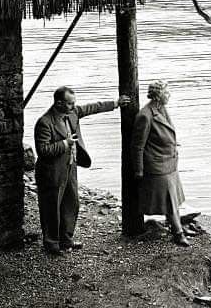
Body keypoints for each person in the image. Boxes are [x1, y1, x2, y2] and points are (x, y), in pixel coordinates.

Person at [34, 86, 130, 255]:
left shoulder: (72, 112)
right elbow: (43, 151)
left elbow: (92, 108)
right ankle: (51, 244)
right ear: (59, 103)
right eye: (70, 103)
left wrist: (116, 103)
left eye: (74, 103)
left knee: (72, 203)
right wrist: (65, 143)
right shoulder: (45, 122)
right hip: (51, 172)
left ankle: (66, 239)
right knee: (52, 207)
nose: (74, 106)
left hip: (70, 167)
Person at [131, 80, 190, 246]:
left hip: (169, 161)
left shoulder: (162, 109)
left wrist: (171, 143)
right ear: (158, 96)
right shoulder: (145, 115)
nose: (169, 95)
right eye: (166, 92)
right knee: (169, 200)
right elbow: (138, 146)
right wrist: (139, 170)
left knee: (174, 199)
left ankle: (177, 228)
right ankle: (178, 233)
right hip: (157, 165)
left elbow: (164, 133)